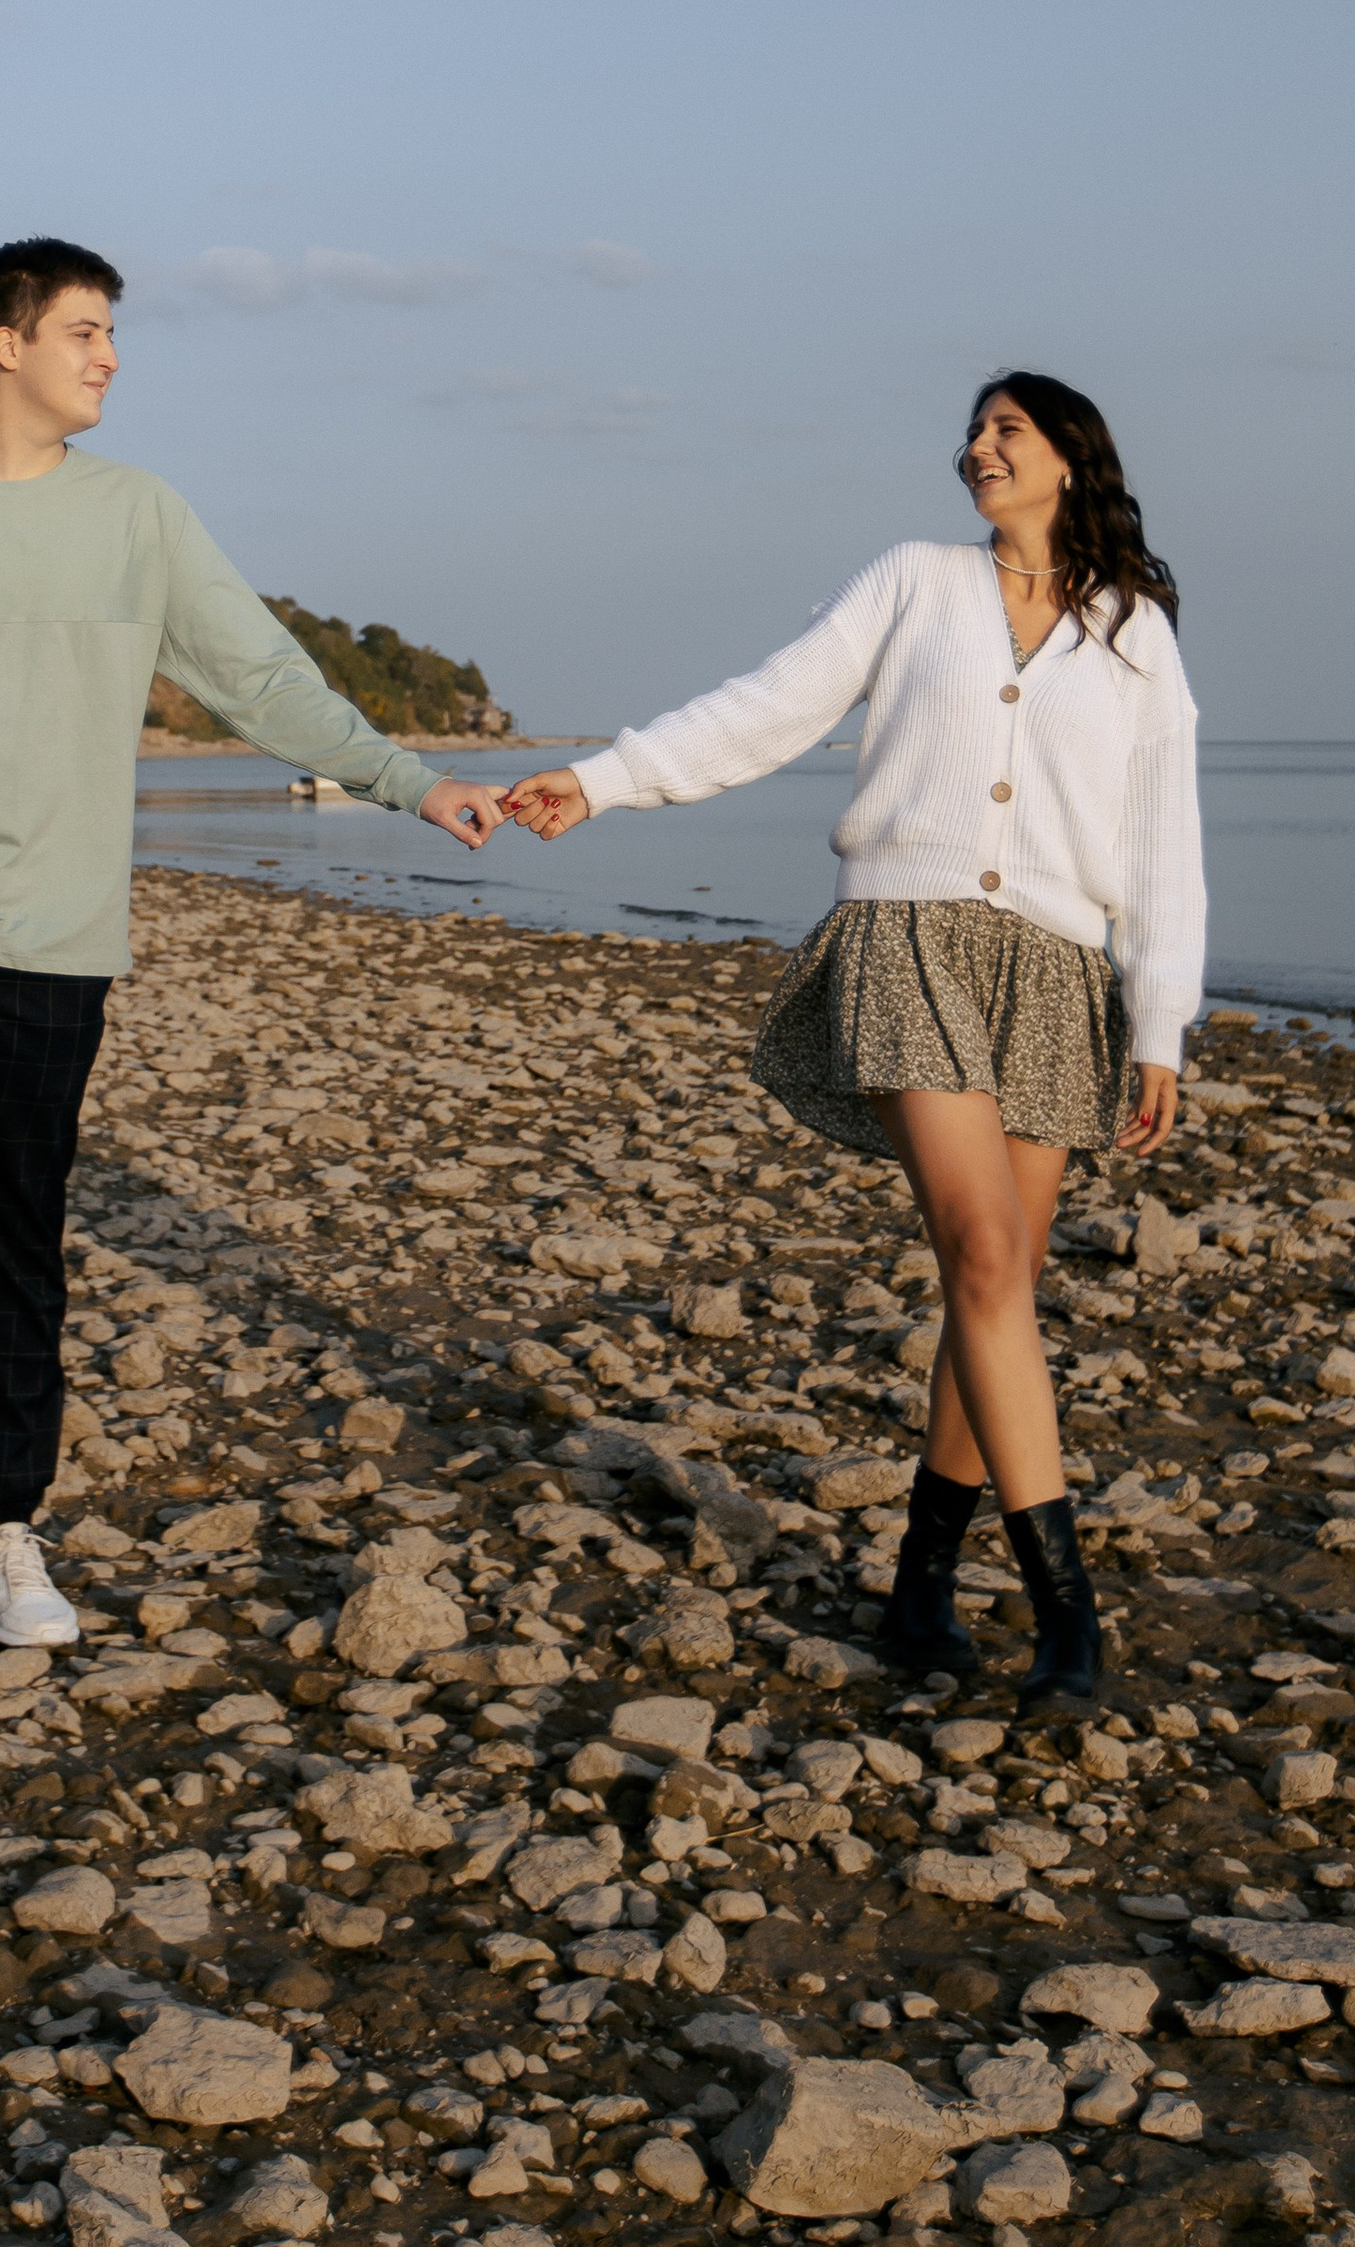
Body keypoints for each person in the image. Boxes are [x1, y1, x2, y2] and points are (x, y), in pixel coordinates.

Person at [0, 236, 504, 1679]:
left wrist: (411, 780)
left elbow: (261, 675)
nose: (112, 355)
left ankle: (5, 1527)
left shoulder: (139, 517)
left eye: (112, 332)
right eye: (87, 330)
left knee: (18, 1222)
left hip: (58, 928)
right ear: (5, 341)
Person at [499, 371, 1201, 1711]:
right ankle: (1069, 1618)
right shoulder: (913, 583)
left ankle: (923, 1581)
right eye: (975, 431)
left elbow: (1165, 834)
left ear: (1070, 458)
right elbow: (767, 706)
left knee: (991, 1292)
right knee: (987, 1256)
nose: (979, 447)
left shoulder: (1133, 631)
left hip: (1057, 973)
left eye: (1009, 430)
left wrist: (1160, 1016)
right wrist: (601, 779)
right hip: (910, 943)